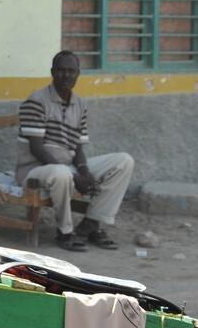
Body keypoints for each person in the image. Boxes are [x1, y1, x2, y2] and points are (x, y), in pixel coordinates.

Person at [16, 50, 135, 251]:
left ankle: (91, 223)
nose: (66, 76)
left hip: (67, 165)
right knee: (62, 173)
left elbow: (78, 147)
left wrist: (84, 171)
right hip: (35, 169)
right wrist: (74, 174)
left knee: (124, 161)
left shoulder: (80, 103)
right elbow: (36, 149)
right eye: (61, 70)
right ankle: (65, 232)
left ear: (78, 74)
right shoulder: (36, 101)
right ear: (52, 72)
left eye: (71, 71)